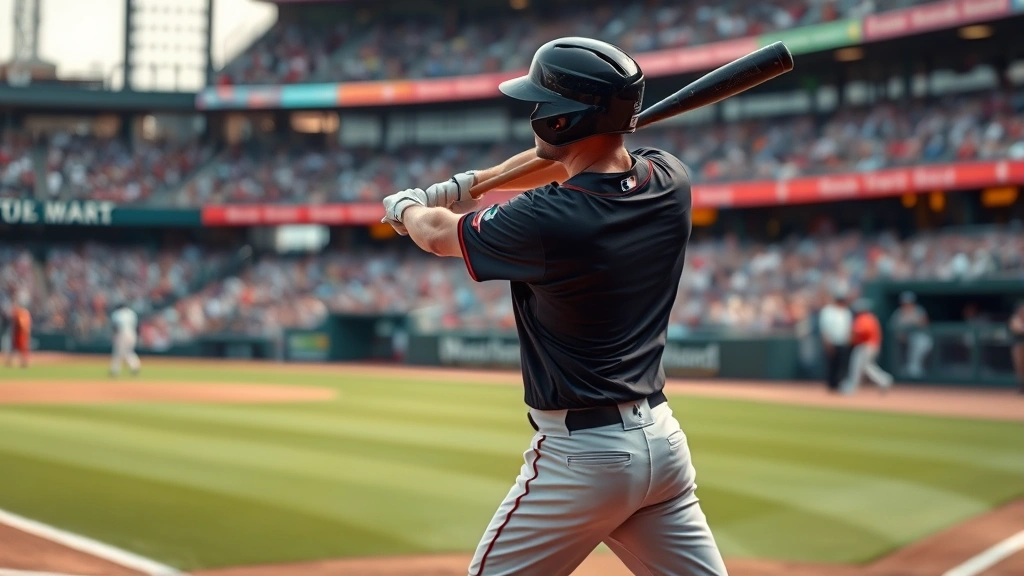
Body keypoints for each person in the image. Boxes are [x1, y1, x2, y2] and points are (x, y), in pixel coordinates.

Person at [381, 37, 727, 576]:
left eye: (540, 105)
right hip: (662, 445)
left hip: (583, 459)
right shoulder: (669, 179)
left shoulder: (548, 219)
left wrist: (406, 207)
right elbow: (567, 164)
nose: (534, 114)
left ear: (561, 121)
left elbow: (437, 234)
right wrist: (474, 184)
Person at [841, 299, 893, 394]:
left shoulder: (864, 318)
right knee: (866, 367)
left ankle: (852, 386)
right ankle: (884, 380)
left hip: (866, 346)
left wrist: (850, 339)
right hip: (871, 346)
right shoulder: (871, 317)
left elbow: (859, 332)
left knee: (857, 366)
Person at [818, 285, 853, 393]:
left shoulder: (846, 311)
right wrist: (827, 342)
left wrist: (849, 341)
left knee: (842, 365)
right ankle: (831, 386)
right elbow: (824, 329)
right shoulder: (828, 311)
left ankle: (841, 385)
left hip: (843, 343)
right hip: (832, 342)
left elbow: (849, 328)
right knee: (832, 365)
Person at [889, 291, 932, 378]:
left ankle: (915, 368)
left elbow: (925, 323)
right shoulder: (898, 313)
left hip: (918, 337)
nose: (907, 304)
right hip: (903, 340)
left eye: (909, 302)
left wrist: (916, 324)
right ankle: (910, 369)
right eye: (905, 303)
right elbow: (892, 327)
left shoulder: (919, 310)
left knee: (923, 342)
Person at [110, 304, 141, 377]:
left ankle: (115, 370)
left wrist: (114, 336)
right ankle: (135, 366)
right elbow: (137, 325)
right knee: (128, 351)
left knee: (118, 352)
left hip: (122, 334)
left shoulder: (117, 314)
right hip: (132, 334)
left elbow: (115, 327)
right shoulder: (131, 313)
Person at [7, 294, 31, 368]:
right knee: (16, 348)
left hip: (20, 333)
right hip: (18, 333)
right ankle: (17, 362)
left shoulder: (21, 313)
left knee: (21, 348)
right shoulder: (21, 312)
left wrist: (25, 330)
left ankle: (23, 362)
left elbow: (22, 324)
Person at [1010, 301, 1024, 394]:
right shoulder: (1015, 319)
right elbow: (1017, 329)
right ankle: (1021, 386)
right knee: (1019, 366)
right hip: (1018, 346)